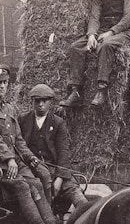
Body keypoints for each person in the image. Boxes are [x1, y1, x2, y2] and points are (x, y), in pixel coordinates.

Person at [0, 66, 61, 224]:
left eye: (5, 82)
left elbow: (18, 140)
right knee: (22, 185)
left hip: (12, 161)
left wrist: (31, 158)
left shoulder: (9, 108)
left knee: (37, 182)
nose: (2, 86)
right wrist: (9, 158)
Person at [60, 0, 130, 109]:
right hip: (103, 29)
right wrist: (91, 35)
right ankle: (76, 90)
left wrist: (111, 32)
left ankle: (102, 88)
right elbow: (94, 17)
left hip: (124, 31)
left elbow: (128, 18)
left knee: (106, 45)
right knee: (76, 47)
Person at [19, 84, 87, 216]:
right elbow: (19, 145)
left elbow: (63, 152)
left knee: (76, 193)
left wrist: (60, 178)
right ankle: (50, 222)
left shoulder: (58, 123)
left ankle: (86, 220)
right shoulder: (23, 120)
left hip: (54, 170)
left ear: (50, 102)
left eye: (45, 100)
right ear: (32, 102)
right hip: (32, 170)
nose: (40, 104)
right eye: (37, 100)